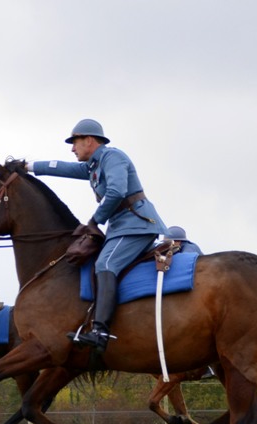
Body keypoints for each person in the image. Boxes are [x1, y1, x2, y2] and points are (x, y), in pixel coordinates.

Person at [27, 118, 167, 353]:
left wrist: (94, 221)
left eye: (75, 142)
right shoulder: (94, 166)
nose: (72, 148)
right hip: (121, 227)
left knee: (106, 263)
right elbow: (62, 167)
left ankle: (100, 330)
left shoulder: (113, 157)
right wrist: (27, 166)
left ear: (89, 140)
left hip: (136, 224)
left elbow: (116, 191)